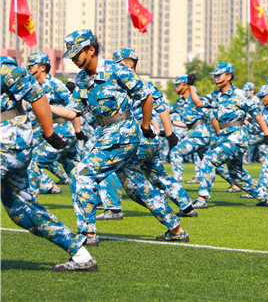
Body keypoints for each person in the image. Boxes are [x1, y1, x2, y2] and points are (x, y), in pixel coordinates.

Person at [63, 29, 189, 245]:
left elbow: (146, 96)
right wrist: (43, 107)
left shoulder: (117, 71)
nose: (73, 59)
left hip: (122, 133)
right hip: (106, 134)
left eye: (77, 54)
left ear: (91, 50)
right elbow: (72, 112)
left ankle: (87, 234)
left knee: (82, 175)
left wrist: (146, 125)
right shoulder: (82, 78)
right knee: (137, 186)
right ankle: (177, 230)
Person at [1, 55, 97, 272]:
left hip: (7, 144)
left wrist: (49, 132)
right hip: (13, 146)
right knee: (22, 209)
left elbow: (38, 96)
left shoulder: (5, 68)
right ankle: (80, 255)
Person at [94, 48, 197, 220]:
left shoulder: (120, 86)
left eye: (118, 63)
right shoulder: (145, 84)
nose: (114, 67)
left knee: (110, 166)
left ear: (130, 64)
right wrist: (169, 134)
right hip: (151, 139)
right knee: (158, 175)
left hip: (133, 138)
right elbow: (163, 108)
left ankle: (113, 208)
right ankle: (187, 207)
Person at [185, 63, 268, 208]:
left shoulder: (240, 94)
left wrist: (267, 134)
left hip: (237, 137)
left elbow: (257, 114)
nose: (216, 78)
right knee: (237, 176)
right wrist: (190, 86)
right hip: (224, 137)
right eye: (214, 75)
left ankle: (202, 199)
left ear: (229, 76)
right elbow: (198, 103)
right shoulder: (215, 95)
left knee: (209, 159)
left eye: (219, 75)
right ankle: (267, 199)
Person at [24, 53, 85, 196]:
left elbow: (74, 108)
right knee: (75, 170)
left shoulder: (55, 85)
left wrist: (77, 131)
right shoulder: (34, 87)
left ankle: (30, 200)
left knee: (33, 160)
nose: (29, 69)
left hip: (63, 131)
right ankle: (98, 199)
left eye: (31, 66)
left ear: (42, 67)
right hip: (49, 131)